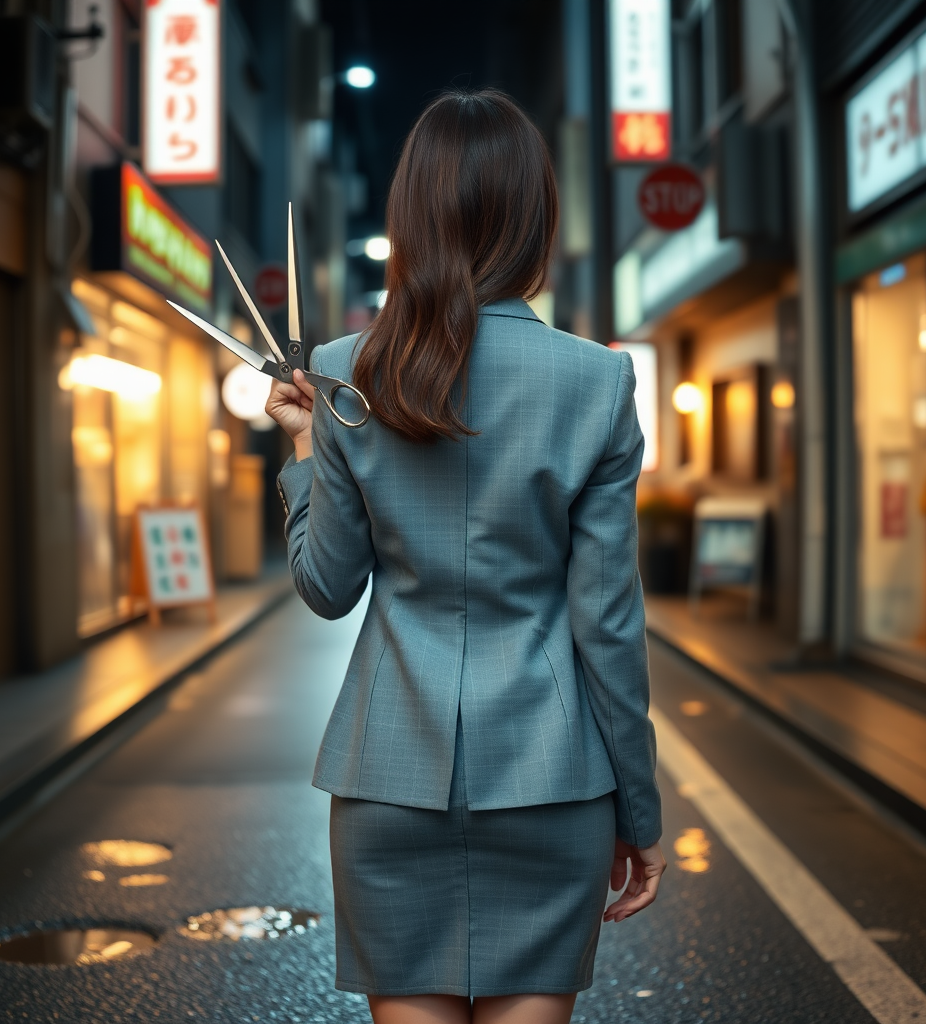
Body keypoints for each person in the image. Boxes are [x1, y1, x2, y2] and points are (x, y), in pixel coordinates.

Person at [266, 89, 665, 1024]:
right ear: (533, 218)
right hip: (551, 778)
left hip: (386, 778)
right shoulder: (598, 381)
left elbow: (327, 588)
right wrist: (638, 814)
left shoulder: (346, 372)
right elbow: (608, 626)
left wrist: (299, 455)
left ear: (412, 215)